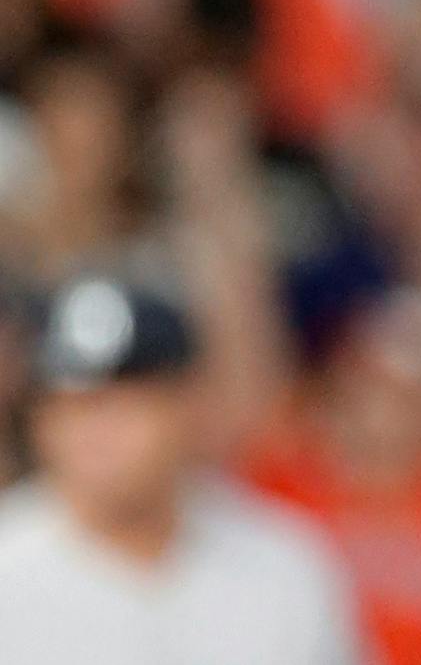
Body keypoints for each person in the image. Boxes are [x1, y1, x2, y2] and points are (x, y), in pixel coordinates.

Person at [0, 276, 362, 665]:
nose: (98, 432)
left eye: (127, 402)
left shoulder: (282, 563)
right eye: (75, 405)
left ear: (188, 405)